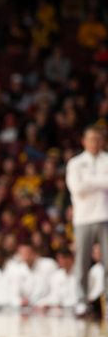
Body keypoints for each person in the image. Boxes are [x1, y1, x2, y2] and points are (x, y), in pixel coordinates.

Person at [65, 125, 108, 317]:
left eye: (98, 139)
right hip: (83, 218)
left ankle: (107, 300)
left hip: (105, 216)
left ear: (103, 141)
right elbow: (77, 188)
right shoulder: (75, 163)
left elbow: (85, 185)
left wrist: (89, 181)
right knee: (82, 262)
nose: (95, 143)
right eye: (91, 139)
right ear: (84, 141)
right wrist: (101, 181)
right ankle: (81, 301)